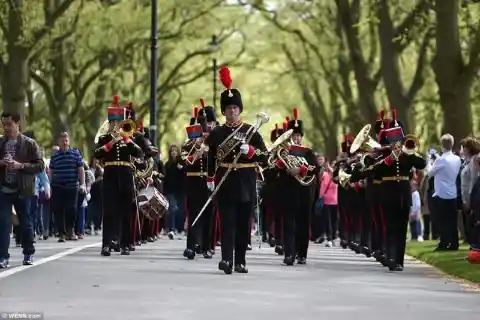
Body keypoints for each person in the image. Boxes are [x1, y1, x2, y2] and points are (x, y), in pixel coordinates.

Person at [204, 66, 268, 274]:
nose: (232, 110)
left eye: (235, 107)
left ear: (240, 109)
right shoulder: (216, 133)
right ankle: (226, 260)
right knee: (227, 223)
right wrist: (209, 178)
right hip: (225, 181)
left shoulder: (251, 131)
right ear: (223, 111)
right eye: (228, 108)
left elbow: (265, 157)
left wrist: (250, 151)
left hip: (246, 182)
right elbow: (211, 157)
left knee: (242, 225)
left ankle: (240, 260)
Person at [94, 96, 143, 256]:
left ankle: (126, 243)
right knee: (109, 211)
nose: (116, 126)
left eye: (118, 123)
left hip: (126, 175)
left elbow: (139, 153)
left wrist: (126, 139)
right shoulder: (104, 138)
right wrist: (111, 143)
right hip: (109, 175)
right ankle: (106, 244)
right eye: (113, 123)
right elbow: (97, 153)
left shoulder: (129, 138)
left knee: (126, 210)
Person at [380, 109, 426, 271]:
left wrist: (411, 152)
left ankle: (399, 260)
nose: (396, 142)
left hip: (403, 194)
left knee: (401, 227)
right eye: (392, 138)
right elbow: (376, 171)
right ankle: (390, 256)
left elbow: (423, 164)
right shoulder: (383, 154)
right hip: (388, 193)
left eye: (398, 138)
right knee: (390, 227)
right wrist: (389, 158)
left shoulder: (408, 154)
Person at [272, 108, 318, 265]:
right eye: (293, 136)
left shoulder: (308, 152)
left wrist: (300, 169)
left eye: (298, 136)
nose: (296, 139)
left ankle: (301, 253)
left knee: (303, 224)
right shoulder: (283, 151)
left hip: (304, 191)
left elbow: (314, 168)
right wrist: (281, 164)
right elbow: (274, 169)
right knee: (289, 223)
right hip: (288, 191)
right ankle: (289, 254)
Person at [0, 111, 45, 267]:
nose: (5, 127)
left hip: (23, 190)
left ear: (17, 123)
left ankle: (28, 253)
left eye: (8, 124)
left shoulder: (29, 143)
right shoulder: (1, 143)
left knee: (25, 222)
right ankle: (3, 257)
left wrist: (21, 166)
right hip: (4, 189)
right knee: (3, 223)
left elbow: (40, 165)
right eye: (3, 124)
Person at [181, 102, 216, 260]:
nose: (206, 128)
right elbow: (184, 161)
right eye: (204, 124)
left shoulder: (215, 143)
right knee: (194, 214)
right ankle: (191, 246)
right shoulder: (189, 144)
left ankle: (207, 246)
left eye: (209, 124)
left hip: (210, 181)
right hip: (194, 182)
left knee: (209, 214)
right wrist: (196, 151)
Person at [427, 133, 461, 251]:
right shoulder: (457, 159)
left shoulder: (441, 160)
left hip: (441, 193)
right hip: (453, 193)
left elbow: (430, 173)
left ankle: (444, 243)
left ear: (442, 145)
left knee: (441, 220)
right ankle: (454, 243)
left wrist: (429, 160)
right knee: (452, 220)